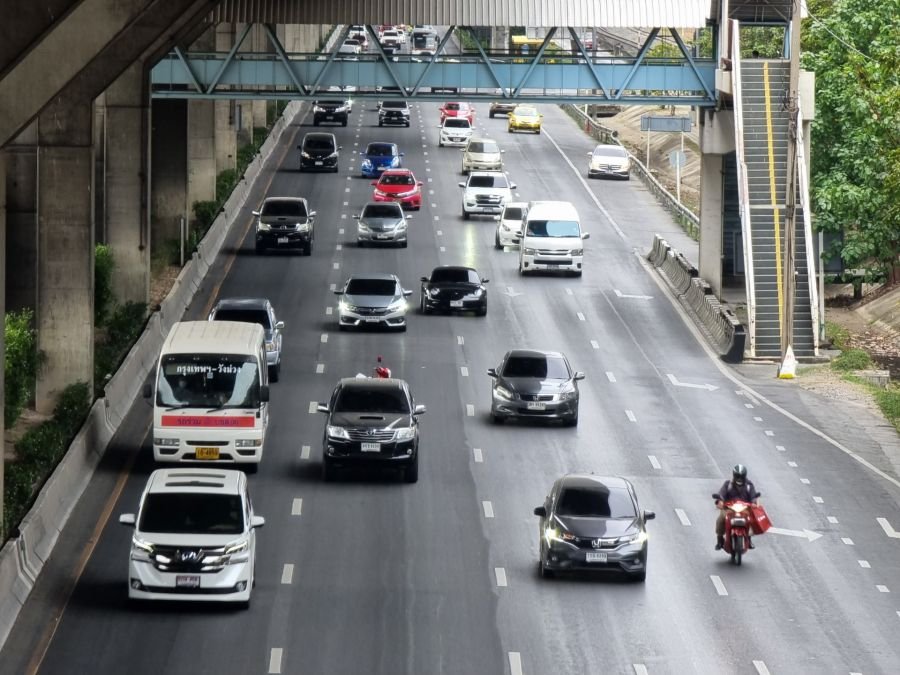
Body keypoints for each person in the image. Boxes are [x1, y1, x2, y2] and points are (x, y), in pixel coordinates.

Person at [714, 464, 761, 550]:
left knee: (751, 520)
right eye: (737, 476)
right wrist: (720, 501)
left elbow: (753, 496)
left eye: (741, 476)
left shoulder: (749, 485)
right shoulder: (728, 484)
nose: (739, 479)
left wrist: (754, 503)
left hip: (745, 510)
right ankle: (719, 539)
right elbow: (721, 494)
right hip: (729, 509)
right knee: (720, 519)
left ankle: (749, 539)